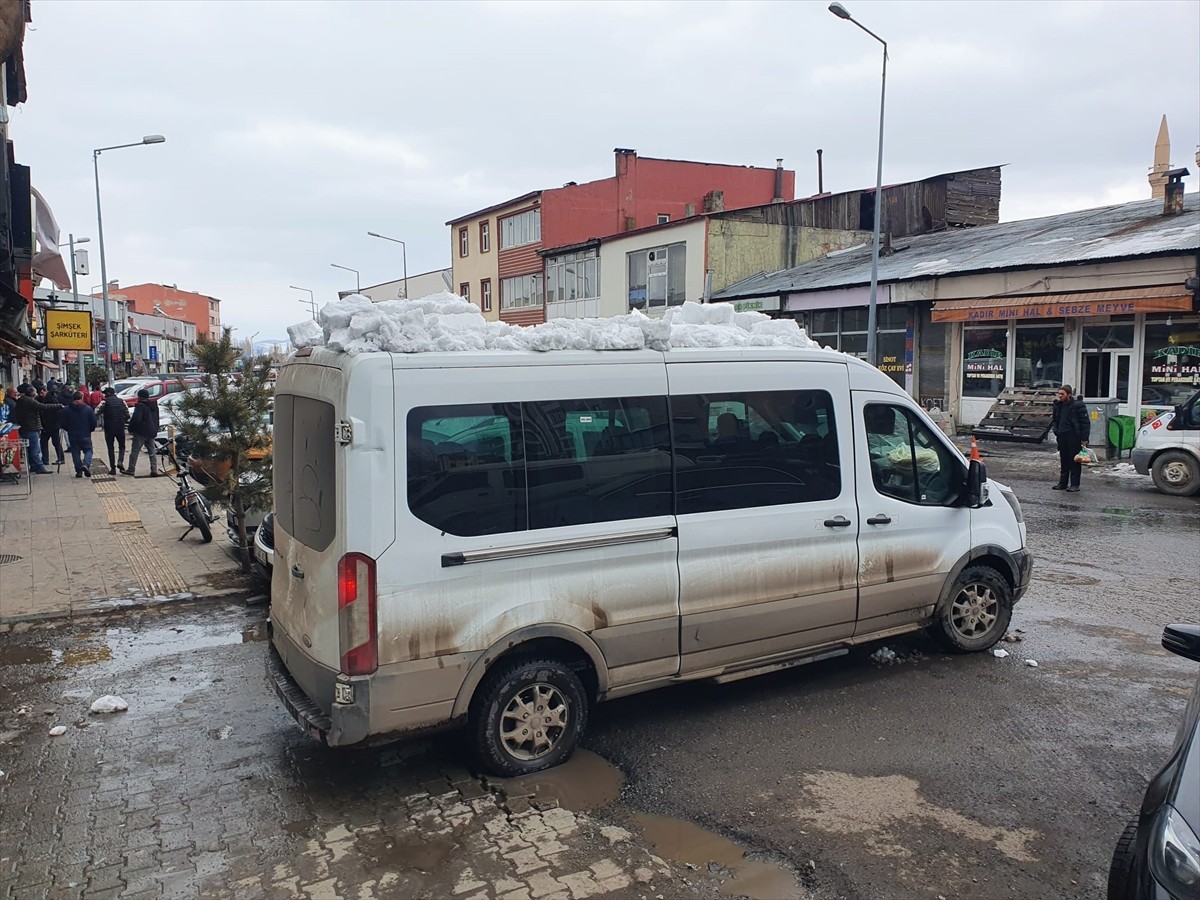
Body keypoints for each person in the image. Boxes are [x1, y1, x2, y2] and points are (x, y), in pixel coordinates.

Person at [13, 384, 62, 474]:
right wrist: (59, 405)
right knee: (35, 449)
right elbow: (44, 407)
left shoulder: (21, 401)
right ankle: (39, 467)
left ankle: (33, 465)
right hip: (32, 427)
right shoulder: (30, 401)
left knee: (29, 449)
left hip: (24, 427)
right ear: (32, 394)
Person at [1050, 383, 1091, 493]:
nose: (1060, 396)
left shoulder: (1077, 405)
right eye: (1059, 394)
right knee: (1064, 460)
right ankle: (1062, 483)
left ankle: (1074, 484)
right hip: (1062, 436)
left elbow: (1085, 422)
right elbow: (1055, 420)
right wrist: (1056, 431)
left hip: (1074, 437)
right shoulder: (1058, 405)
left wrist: (1084, 438)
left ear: (1069, 394)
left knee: (1074, 461)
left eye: (1062, 394)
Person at [61, 391, 97, 478]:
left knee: (75, 453)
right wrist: (90, 430)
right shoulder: (88, 409)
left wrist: (68, 429)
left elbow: (62, 423)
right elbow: (93, 422)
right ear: (81, 398)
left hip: (72, 435)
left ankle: (79, 471)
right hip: (85, 434)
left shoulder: (66, 409)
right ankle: (86, 464)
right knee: (89, 450)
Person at [125, 388, 160, 477]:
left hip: (141, 432)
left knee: (135, 451)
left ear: (140, 397)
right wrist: (155, 429)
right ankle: (154, 470)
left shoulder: (140, 406)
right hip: (151, 432)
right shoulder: (154, 405)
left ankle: (131, 469)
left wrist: (131, 428)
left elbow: (136, 419)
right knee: (152, 452)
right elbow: (156, 419)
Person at [37, 385, 66, 466]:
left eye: (42, 392)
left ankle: (60, 458)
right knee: (44, 443)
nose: (41, 394)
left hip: (53, 425)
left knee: (55, 442)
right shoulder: (40, 399)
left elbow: (59, 412)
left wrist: (58, 422)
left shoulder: (52, 399)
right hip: (46, 425)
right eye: (39, 393)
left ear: (45, 391)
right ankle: (45, 460)